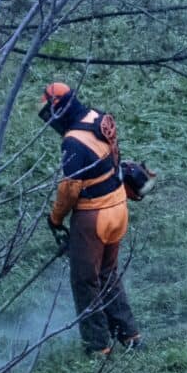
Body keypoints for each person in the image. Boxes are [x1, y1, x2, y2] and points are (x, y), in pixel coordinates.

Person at [37, 82, 140, 357]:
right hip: (119, 207)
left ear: (59, 109)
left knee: (85, 281)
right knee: (108, 274)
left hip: (95, 217)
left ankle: (98, 346)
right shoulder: (97, 117)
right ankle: (129, 334)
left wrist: (56, 218)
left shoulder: (73, 141)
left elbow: (70, 189)